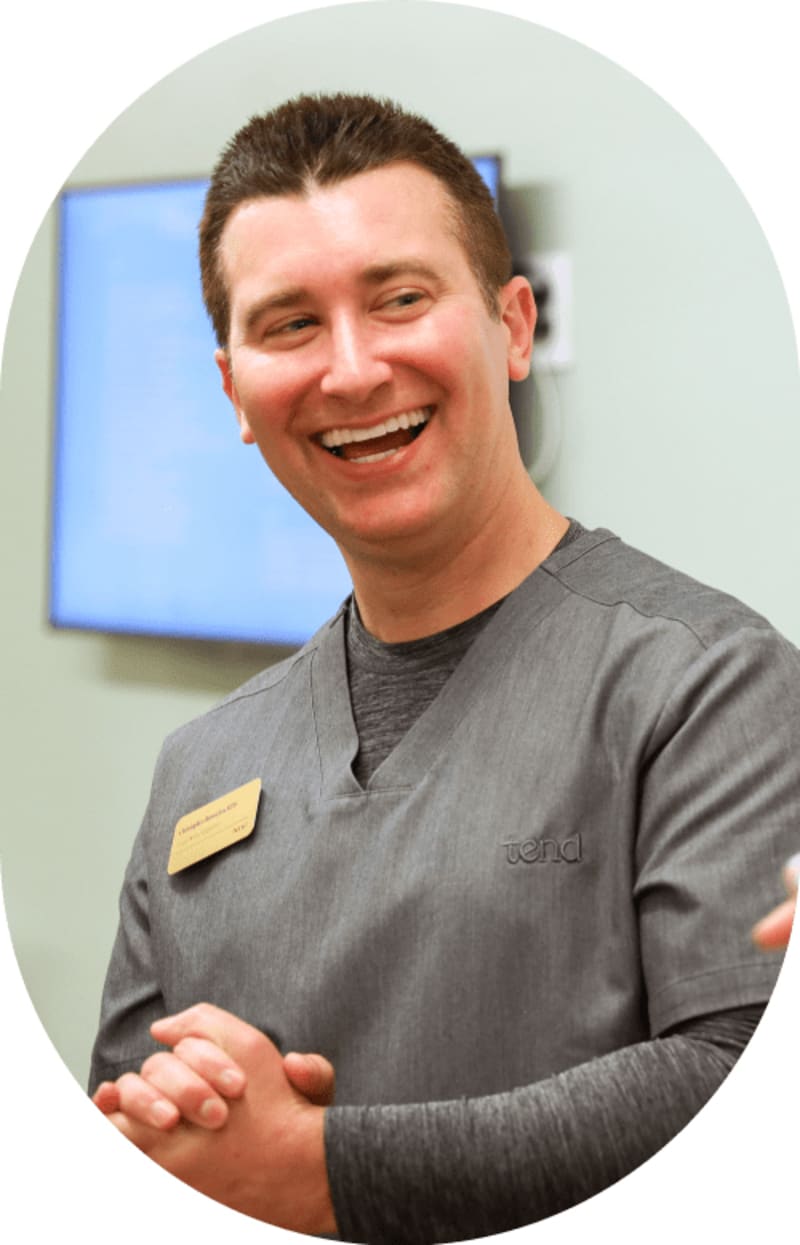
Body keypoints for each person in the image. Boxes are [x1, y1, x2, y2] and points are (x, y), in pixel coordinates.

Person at [88, 94, 799, 1243]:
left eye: (400, 300)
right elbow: (127, 1131)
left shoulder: (710, 686)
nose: (354, 369)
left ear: (512, 326)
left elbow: (744, 1082)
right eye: (288, 325)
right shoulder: (199, 769)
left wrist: (326, 1169)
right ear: (234, 391)